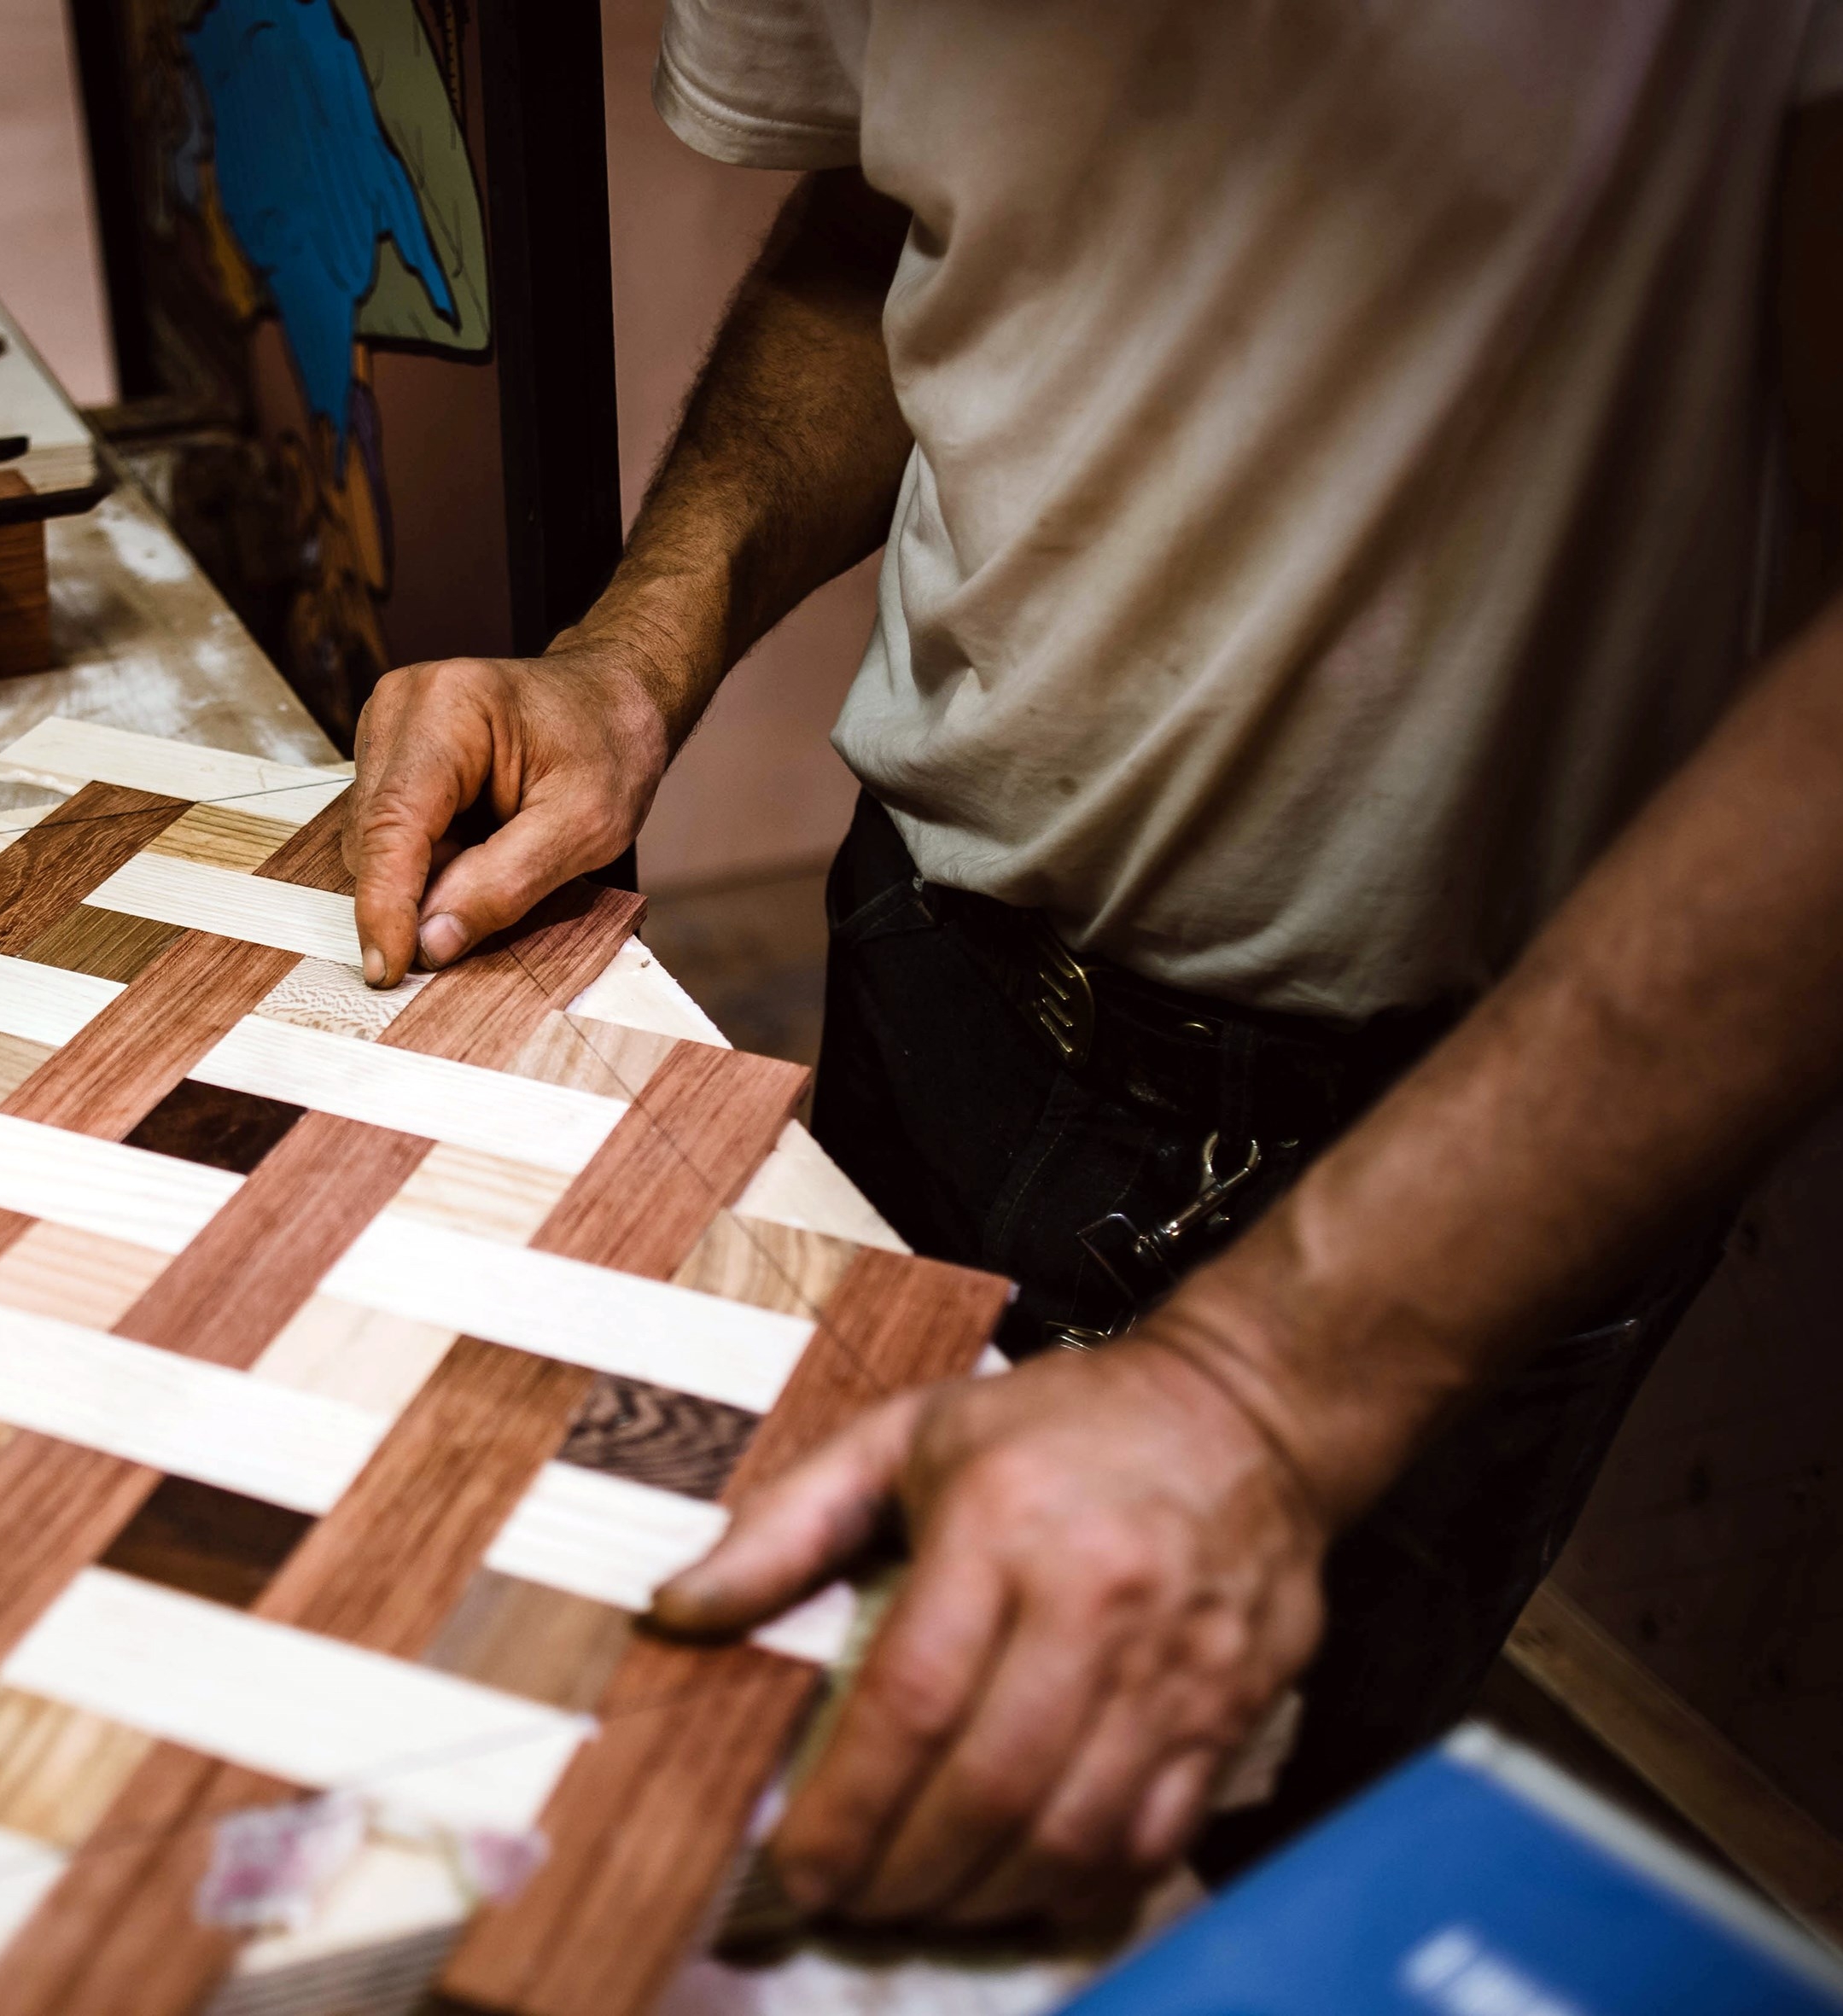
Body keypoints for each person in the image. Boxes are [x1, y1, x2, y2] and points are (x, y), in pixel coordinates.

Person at [343, 3, 1843, 1925]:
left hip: (1455, 1152)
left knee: (1199, 1907)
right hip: (932, 972)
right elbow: (896, 229)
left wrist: (1253, 1392)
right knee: (744, 1816)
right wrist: (636, 653)